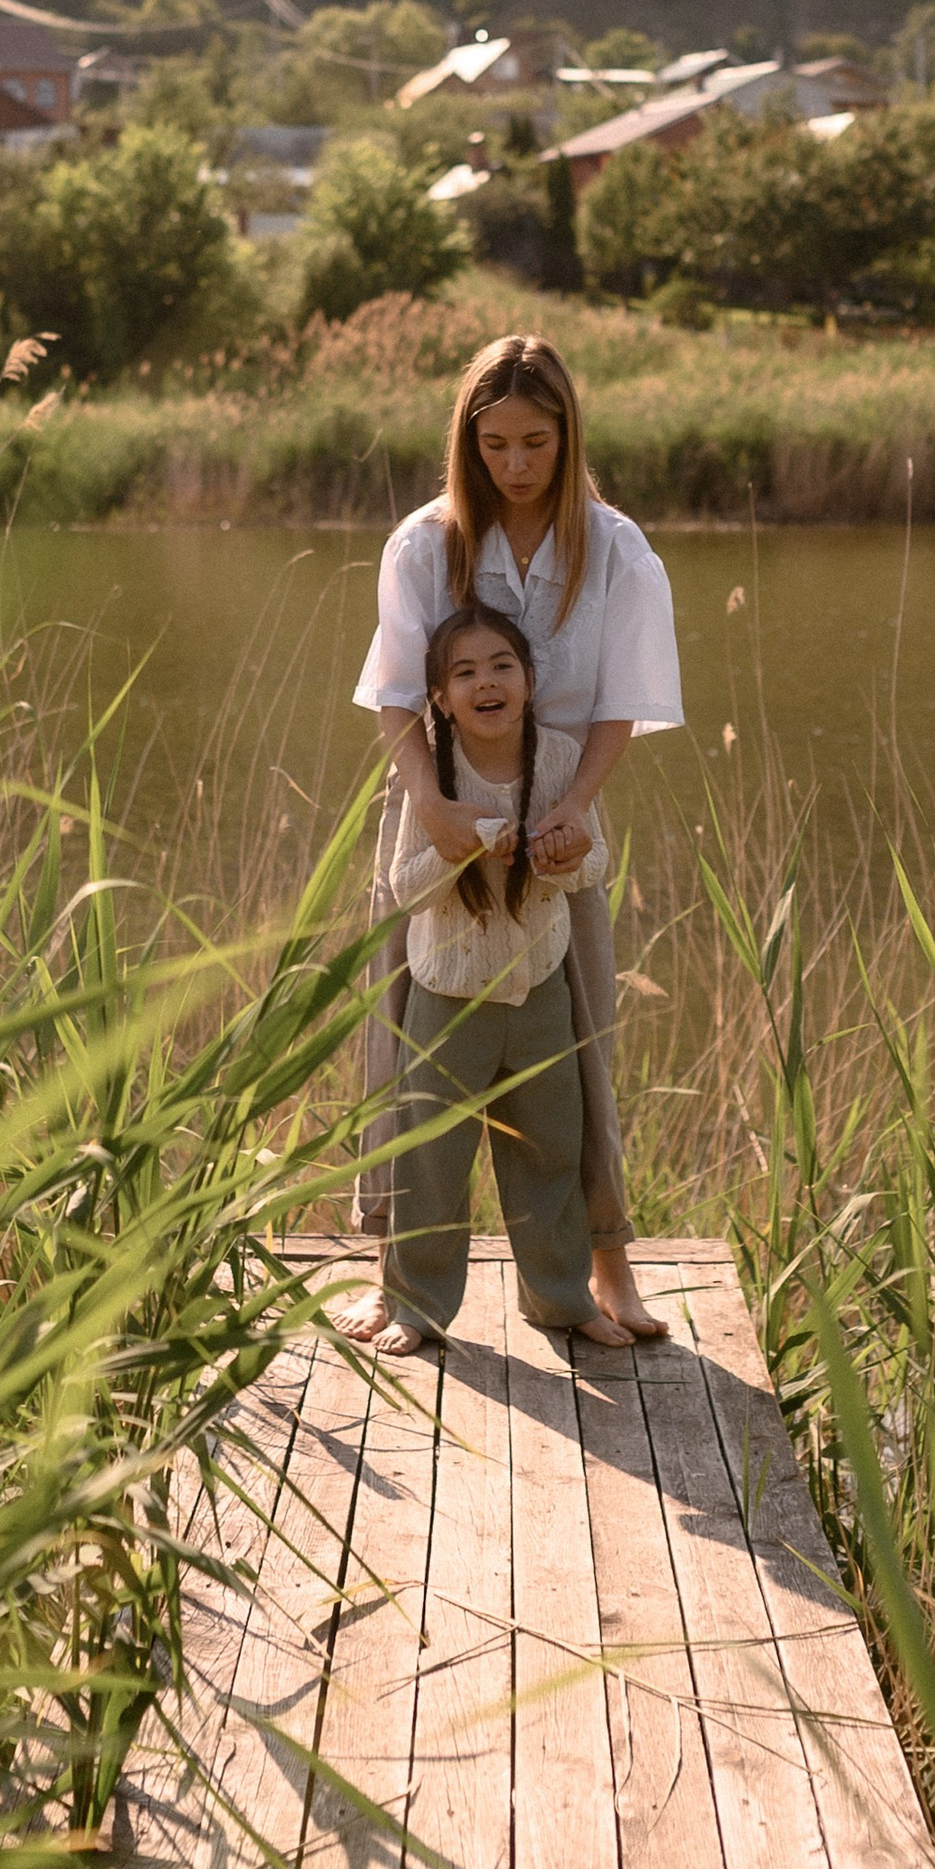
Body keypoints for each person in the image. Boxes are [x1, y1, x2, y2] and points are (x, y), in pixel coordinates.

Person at [341, 328, 683, 1349]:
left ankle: (600, 1268)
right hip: (432, 807)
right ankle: (394, 1275)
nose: (517, 465)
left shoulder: (614, 547)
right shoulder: (425, 543)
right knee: (406, 1042)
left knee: (576, 1050)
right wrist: (433, 811)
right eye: (496, 445)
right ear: (469, 441)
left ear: (567, 434)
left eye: (536, 442)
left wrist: (574, 807)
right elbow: (398, 698)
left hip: (556, 812)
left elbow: (619, 704)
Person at [372, 603, 626, 1352]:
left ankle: (559, 1296)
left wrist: (568, 853)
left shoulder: (555, 760)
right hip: (447, 1000)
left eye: (501, 666)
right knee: (431, 1159)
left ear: (530, 680)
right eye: (464, 672)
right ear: (441, 699)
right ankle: (416, 1305)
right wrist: (464, 847)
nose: (486, 683)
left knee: (549, 1148)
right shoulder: (433, 776)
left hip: (538, 991)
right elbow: (405, 888)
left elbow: (597, 862)